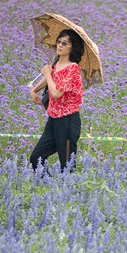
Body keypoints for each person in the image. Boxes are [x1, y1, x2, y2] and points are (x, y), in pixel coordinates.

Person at [29, 29, 85, 172]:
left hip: (67, 121)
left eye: (64, 43)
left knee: (66, 164)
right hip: (53, 119)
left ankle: (68, 192)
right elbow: (50, 79)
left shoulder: (73, 68)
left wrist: (48, 74)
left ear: (72, 47)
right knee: (36, 158)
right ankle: (48, 188)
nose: (59, 45)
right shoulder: (55, 64)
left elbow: (56, 93)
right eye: (59, 42)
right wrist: (34, 90)